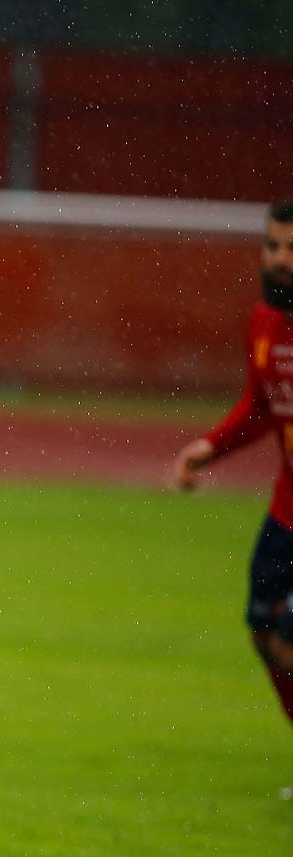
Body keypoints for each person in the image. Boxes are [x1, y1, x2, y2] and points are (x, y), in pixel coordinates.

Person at [174, 199, 293, 750]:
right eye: (272, 246)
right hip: (286, 511)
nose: (280, 260)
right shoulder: (265, 322)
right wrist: (211, 447)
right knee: (263, 631)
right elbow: (264, 404)